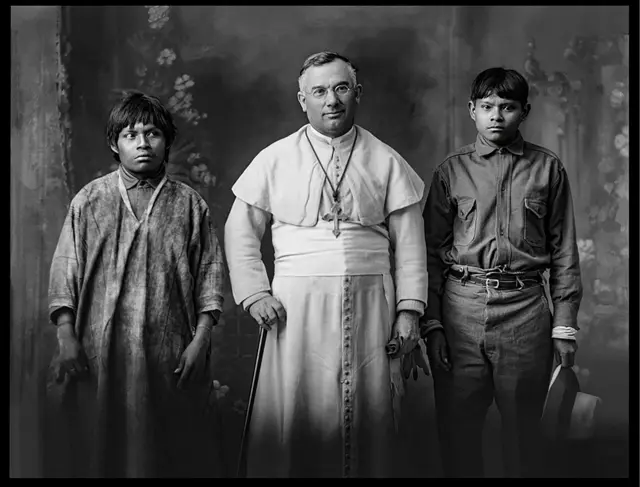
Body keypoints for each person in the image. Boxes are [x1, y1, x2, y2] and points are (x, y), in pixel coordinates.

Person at [224, 51, 429, 478]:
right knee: (298, 409)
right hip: (296, 309)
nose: (331, 100)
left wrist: (409, 311)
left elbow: (410, 244)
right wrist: (255, 292)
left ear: (357, 93)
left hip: (373, 304)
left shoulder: (385, 159)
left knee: (370, 411)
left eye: (340, 88)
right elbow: (240, 230)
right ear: (303, 100)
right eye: (319, 91)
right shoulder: (275, 158)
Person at [46, 91, 226, 478]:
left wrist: (200, 340)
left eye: (153, 133)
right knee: (98, 445)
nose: (143, 143)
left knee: (171, 448)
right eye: (131, 135)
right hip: (99, 353)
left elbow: (210, 274)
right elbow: (66, 269)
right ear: (115, 143)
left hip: (170, 353)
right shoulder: (89, 201)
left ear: (167, 141)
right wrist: (66, 335)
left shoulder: (190, 205)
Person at [422, 67, 583, 478]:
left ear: (524, 112)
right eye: (488, 107)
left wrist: (564, 325)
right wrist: (433, 323)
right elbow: (428, 253)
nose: (497, 116)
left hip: (526, 312)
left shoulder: (547, 169)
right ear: (472, 111)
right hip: (462, 309)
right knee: (457, 433)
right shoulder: (451, 171)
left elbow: (564, 250)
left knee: (524, 438)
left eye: (508, 107)